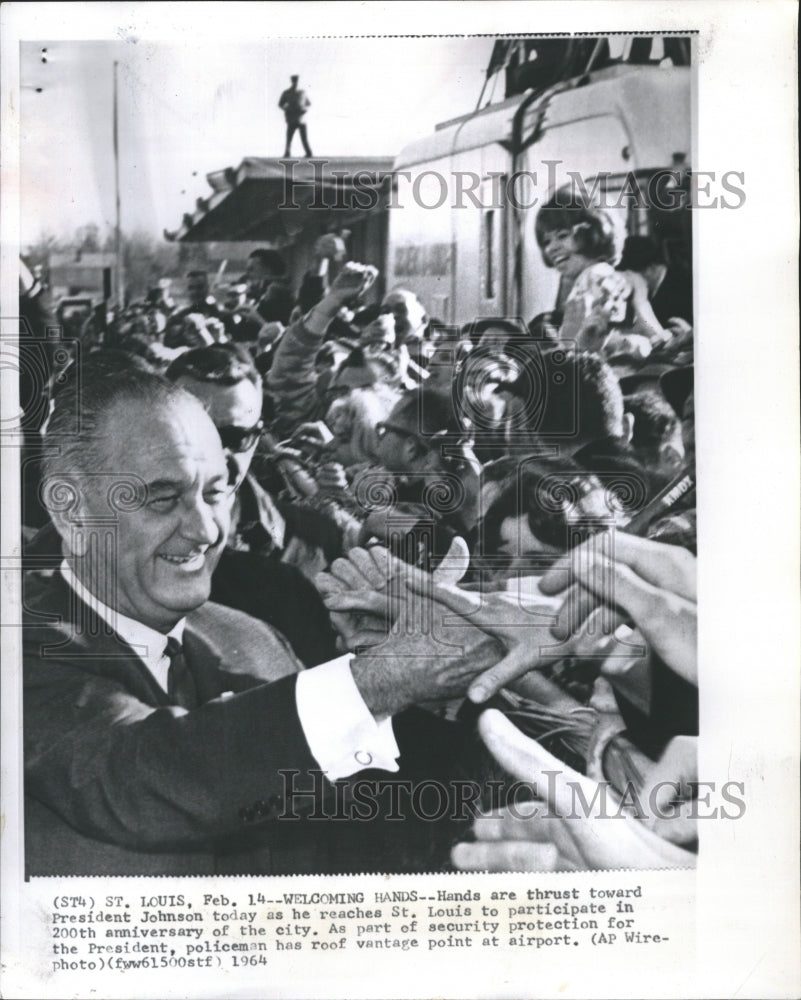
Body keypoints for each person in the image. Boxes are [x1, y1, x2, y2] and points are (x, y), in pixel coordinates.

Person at [24, 363, 503, 875]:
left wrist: (422, 690)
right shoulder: (21, 651)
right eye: (164, 498)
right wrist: (380, 680)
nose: (207, 529)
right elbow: (153, 773)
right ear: (71, 510)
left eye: (216, 492)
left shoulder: (255, 638)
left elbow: (358, 837)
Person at [165, 344, 339, 665]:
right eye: (197, 434)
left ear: (257, 439)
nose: (215, 455)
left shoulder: (313, 542)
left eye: (234, 438)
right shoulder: (127, 538)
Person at [279, 74, 312, 157]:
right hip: (291, 119)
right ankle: (287, 152)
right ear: (292, 81)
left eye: (296, 81)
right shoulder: (287, 93)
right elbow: (280, 104)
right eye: (294, 81)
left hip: (301, 119)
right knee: (289, 138)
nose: (295, 83)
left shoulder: (302, 92)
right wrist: (287, 109)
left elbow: (308, 104)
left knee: (304, 138)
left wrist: (304, 109)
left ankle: (308, 153)